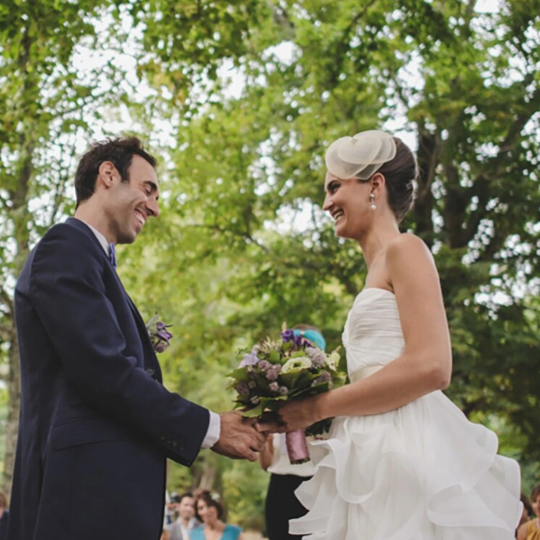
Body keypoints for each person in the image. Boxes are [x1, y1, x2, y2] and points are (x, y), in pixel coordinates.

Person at [8, 137, 266, 540]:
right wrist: (212, 429)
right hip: (80, 501)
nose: (156, 207)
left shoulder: (92, 262)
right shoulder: (65, 248)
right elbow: (105, 373)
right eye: (148, 189)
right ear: (108, 175)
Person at [273, 130, 522, 538]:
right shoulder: (374, 272)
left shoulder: (405, 250)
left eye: (335, 186)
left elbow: (432, 366)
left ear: (374, 184)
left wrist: (320, 407)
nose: (326, 202)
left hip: (404, 447)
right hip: (368, 447)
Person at [260, 326, 323, 540]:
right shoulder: (275, 399)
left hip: (313, 482)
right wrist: (263, 437)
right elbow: (266, 463)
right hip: (279, 483)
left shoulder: (325, 400)